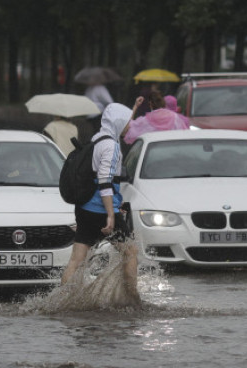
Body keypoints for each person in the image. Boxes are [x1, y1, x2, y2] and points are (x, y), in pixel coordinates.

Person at [60, 98, 144, 297]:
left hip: (84, 208)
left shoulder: (97, 139)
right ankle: (132, 299)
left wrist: (133, 108)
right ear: (117, 123)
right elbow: (105, 181)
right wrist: (110, 215)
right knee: (131, 252)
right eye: (127, 122)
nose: (130, 125)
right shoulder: (112, 147)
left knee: (76, 260)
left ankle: (62, 299)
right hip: (101, 210)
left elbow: (118, 118)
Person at [123, 90, 189, 145]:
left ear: (150, 104)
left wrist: (136, 106)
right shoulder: (175, 118)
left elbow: (129, 128)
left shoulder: (145, 121)